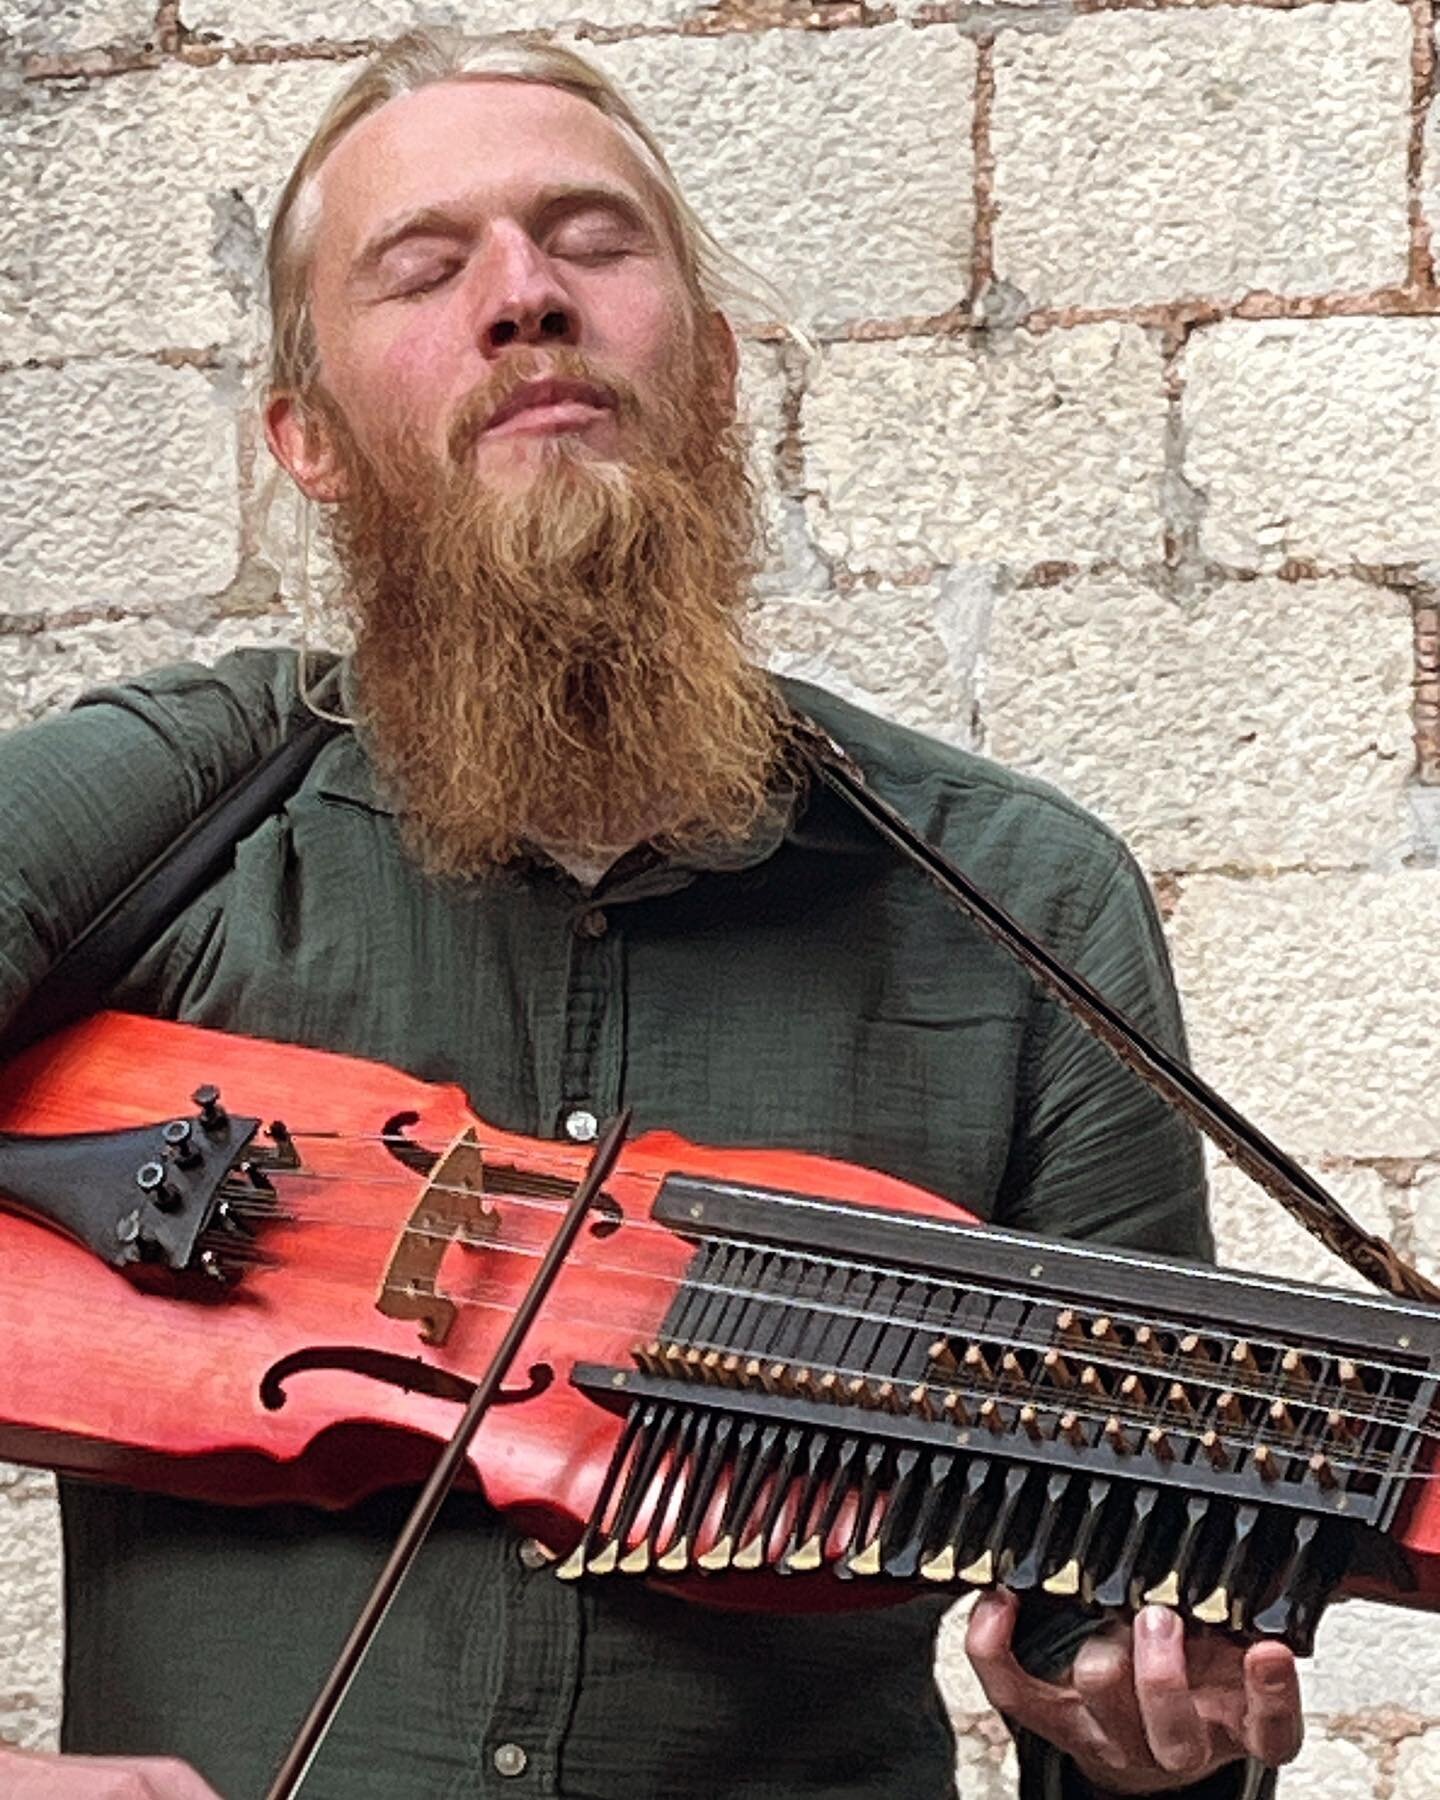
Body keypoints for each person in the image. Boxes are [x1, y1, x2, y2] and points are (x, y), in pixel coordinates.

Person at [0, 29, 1305, 1799]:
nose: (525, 297)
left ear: (712, 373)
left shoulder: (1024, 898)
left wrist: (1151, 1746)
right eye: (426, 265)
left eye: (593, 241)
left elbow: (1125, 1616)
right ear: (308, 443)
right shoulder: (174, 806)